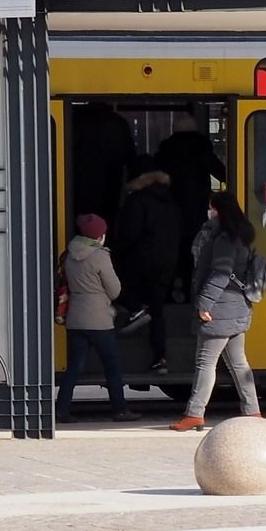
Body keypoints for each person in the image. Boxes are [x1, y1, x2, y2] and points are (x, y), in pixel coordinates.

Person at [171, 192, 260, 432]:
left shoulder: (223, 238)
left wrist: (204, 304)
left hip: (220, 308)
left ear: (217, 210)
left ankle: (194, 413)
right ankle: (252, 411)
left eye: (211, 208)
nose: (209, 211)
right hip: (237, 306)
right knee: (239, 364)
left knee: (205, 363)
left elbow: (221, 273)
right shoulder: (241, 235)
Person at [57, 214, 139, 423]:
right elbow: (115, 290)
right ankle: (120, 410)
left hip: (75, 317)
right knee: (111, 365)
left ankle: (61, 409)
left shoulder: (68, 254)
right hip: (98, 319)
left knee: (75, 366)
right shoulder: (100, 256)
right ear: (99, 235)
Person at [110, 165, 179, 374]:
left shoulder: (137, 201)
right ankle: (160, 358)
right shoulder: (171, 202)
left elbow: (128, 234)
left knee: (112, 284)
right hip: (167, 263)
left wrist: (116, 252)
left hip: (140, 262)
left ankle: (136, 309)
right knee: (157, 311)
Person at [156, 119, 227, 298]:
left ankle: (167, 290)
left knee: (170, 247)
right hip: (195, 205)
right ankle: (190, 288)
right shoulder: (201, 147)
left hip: (169, 206)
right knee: (194, 246)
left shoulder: (166, 149)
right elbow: (217, 169)